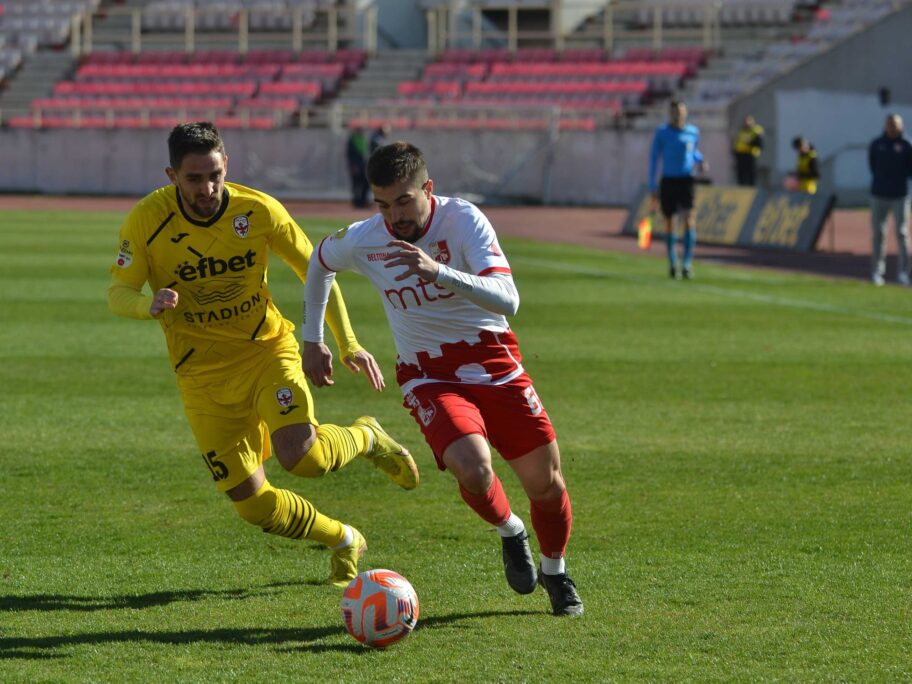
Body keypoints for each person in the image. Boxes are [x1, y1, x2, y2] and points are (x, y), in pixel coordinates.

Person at [107, 122, 419, 589]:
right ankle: (343, 538)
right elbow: (120, 290)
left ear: (226, 164)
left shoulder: (257, 210)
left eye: (214, 173)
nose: (207, 187)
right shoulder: (146, 221)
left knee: (304, 459)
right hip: (202, 377)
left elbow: (317, 267)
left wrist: (347, 342)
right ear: (172, 175)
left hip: (266, 351)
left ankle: (366, 436)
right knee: (252, 505)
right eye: (194, 179)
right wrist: (144, 305)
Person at [301, 142, 584, 617]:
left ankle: (555, 571)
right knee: (472, 469)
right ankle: (510, 530)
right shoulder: (366, 237)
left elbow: (508, 298)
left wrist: (439, 271)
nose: (394, 215)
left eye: (404, 201)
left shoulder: (464, 220)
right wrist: (313, 338)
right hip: (427, 373)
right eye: (383, 204)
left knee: (546, 484)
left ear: (427, 189)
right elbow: (320, 262)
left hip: (494, 361)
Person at [649, 99, 708, 280]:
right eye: (675, 112)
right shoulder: (662, 133)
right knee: (670, 222)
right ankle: (673, 261)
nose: (678, 115)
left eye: (681, 112)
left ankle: (687, 263)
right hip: (669, 180)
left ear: (686, 113)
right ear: (670, 113)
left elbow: (693, 152)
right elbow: (653, 158)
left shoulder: (693, 132)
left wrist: (701, 161)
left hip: (687, 180)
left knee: (690, 219)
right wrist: (652, 184)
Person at [868, 113, 912, 286]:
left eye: (895, 124)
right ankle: (877, 272)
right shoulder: (877, 144)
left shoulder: (907, 145)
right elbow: (872, 165)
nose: (892, 127)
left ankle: (902, 272)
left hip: (900, 195)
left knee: (901, 233)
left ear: (901, 126)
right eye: (889, 124)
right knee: (879, 233)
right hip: (879, 194)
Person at [732, 115, 764, 186]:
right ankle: (741, 186)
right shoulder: (741, 131)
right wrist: (735, 152)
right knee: (741, 172)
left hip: (750, 154)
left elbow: (759, 143)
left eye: (749, 121)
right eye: (746, 121)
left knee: (751, 173)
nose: (747, 123)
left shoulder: (756, 131)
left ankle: (751, 187)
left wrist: (750, 142)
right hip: (740, 155)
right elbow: (736, 143)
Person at [346, 126, 369, 208]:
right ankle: (356, 202)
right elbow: (350, 154)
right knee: (356, 185)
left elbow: (363, 153)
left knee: (365, 184)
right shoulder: (352, 140)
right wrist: (353, 166)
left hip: (362, 166)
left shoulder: (362, 139)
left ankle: (362, 201)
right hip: (356, 166)